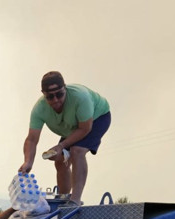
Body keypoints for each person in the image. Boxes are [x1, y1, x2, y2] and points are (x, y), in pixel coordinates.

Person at [19, 71, 111, 206]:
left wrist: (61, 146)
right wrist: (28, 162)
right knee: (60, 160)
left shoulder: (80, 97)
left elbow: (85, 129)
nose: (55, 100)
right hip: (73, 126)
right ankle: (63, 199)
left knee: (77, 151)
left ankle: (75, 200)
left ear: (65, 88)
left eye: (59, 94)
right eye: (50, 97)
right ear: (43, 94)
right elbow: (32, 139)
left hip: (97, 118)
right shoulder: (39, 109)